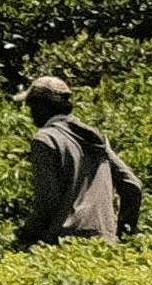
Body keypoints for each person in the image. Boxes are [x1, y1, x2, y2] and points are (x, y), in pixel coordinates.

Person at [17, 72, 140, 245]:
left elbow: (48, 202)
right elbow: (132, 186)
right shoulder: (96, 138)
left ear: (41, 106)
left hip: (64, 243)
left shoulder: (45, 139)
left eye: (31, 107)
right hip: (104, 242)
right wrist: (123, 237)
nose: (31, 113)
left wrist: (26, 236)